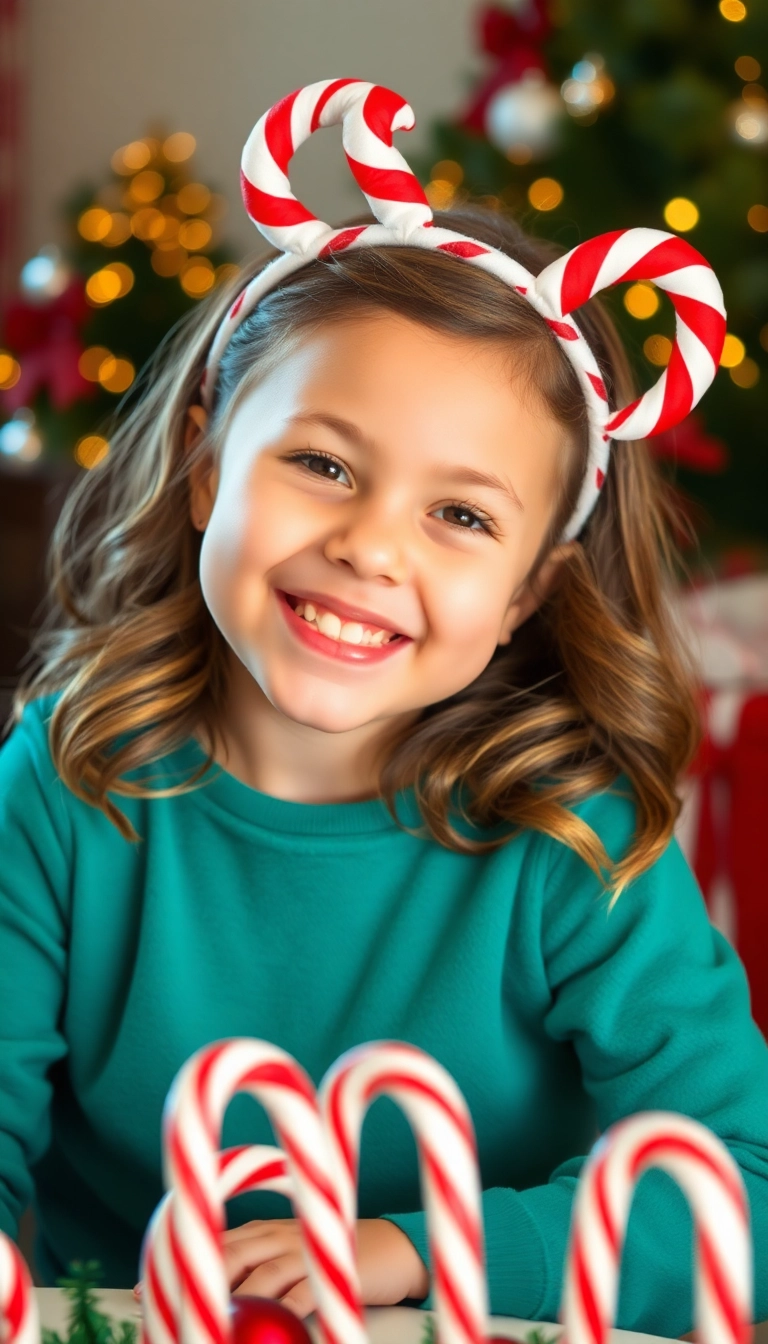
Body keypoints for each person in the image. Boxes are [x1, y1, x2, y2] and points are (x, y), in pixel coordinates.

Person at [1, 77, 766, 1340]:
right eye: (322, 464)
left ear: (529, 591)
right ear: (204, 468)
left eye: (460, 516)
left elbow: (739, 1185)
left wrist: (421, 1254)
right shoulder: (67, 778)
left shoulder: (571, 839)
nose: (369, 547)